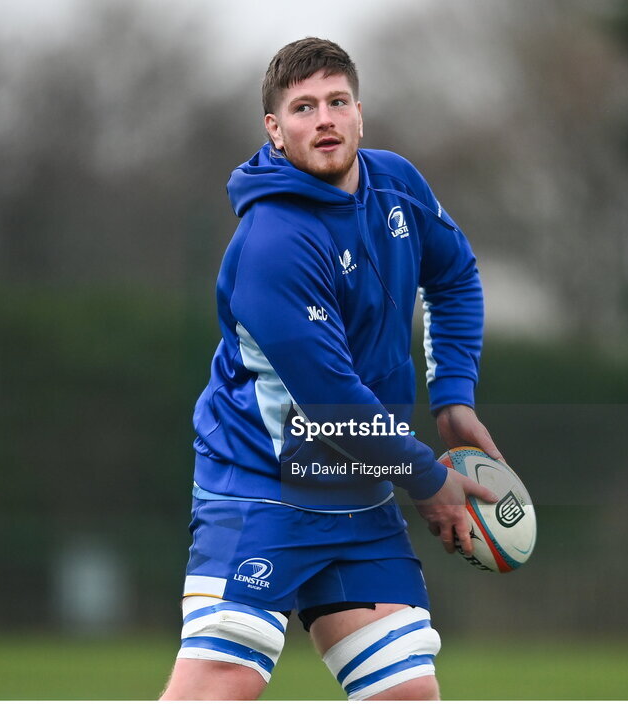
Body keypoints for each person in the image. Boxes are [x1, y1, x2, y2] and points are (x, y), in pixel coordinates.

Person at [160, 37, 503, 701]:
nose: (324, 118)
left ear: (359, 114)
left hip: (359, 492)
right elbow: (332, 403)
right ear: (276, 130)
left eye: (337, 101)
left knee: (406, 693)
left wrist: (454, 395)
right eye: (304, 106)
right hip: (262, 487)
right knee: (222, 682)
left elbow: (455, 274)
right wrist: (428, 478)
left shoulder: (396, 185)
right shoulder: (273, 243)